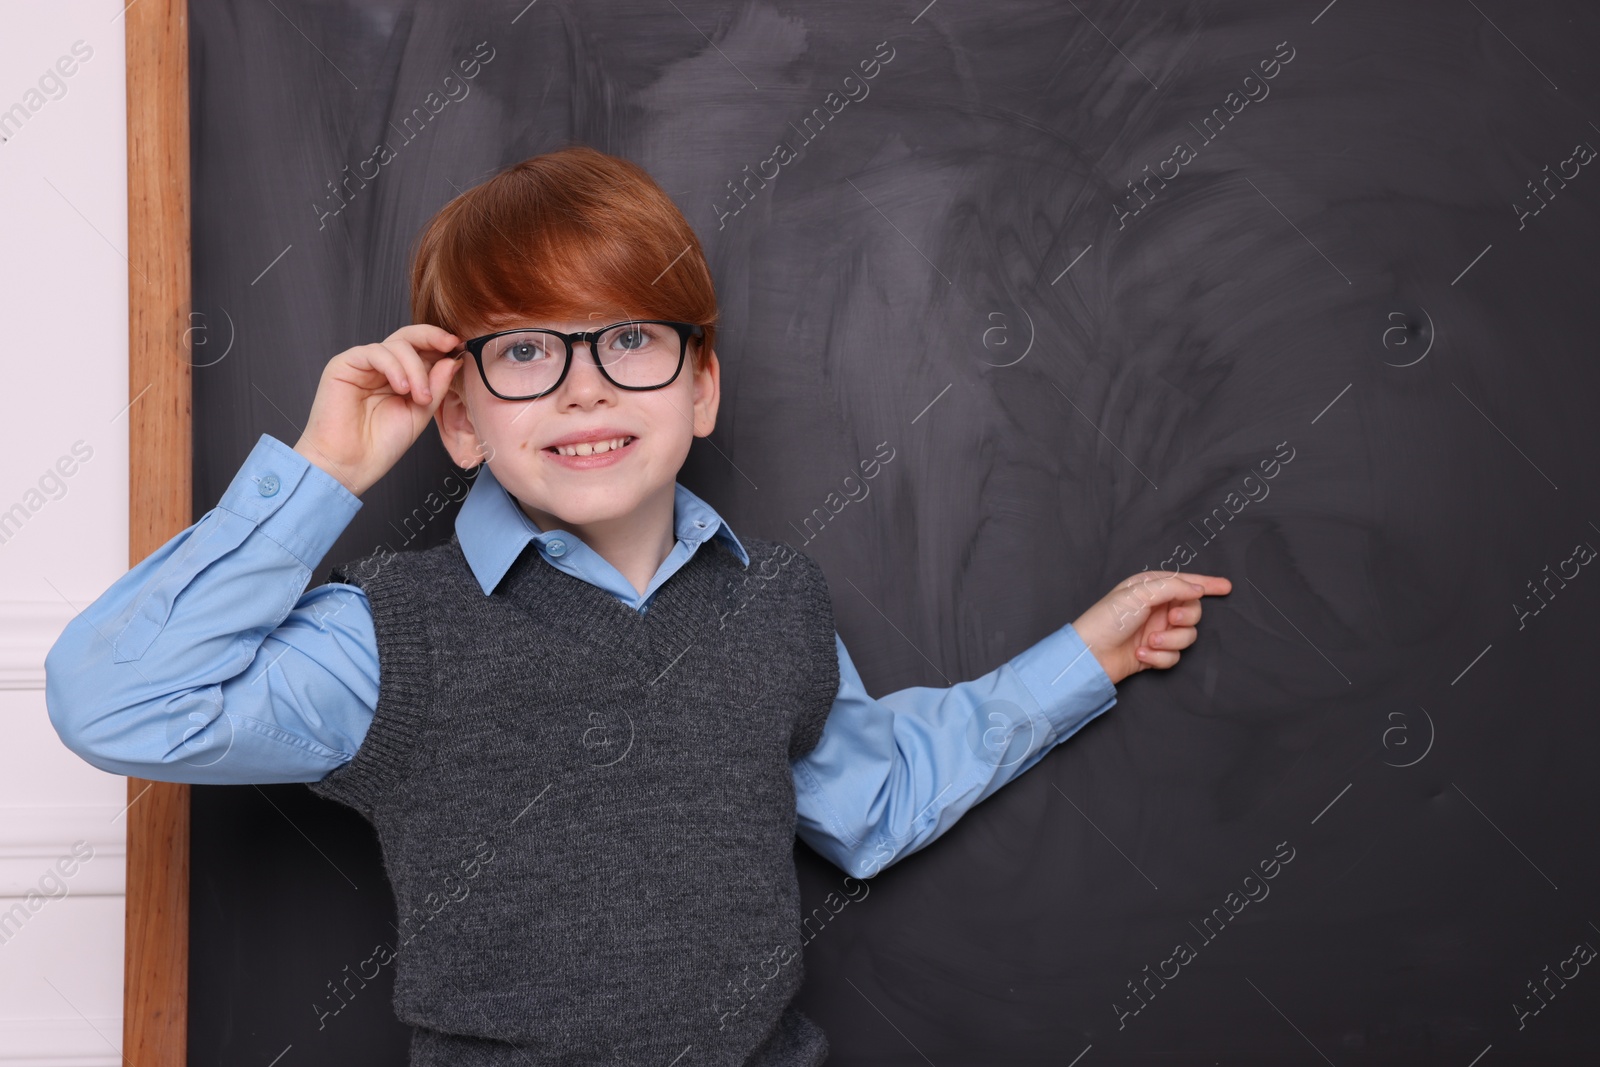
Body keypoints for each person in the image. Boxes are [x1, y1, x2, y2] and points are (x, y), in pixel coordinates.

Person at [44, 144, 1229, 1066]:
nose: (583, 387)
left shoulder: (777, 605)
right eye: (522, 352)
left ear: (700, 385)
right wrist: (323, 469)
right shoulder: (387, 636)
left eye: (626, 338)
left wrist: (1083, 657)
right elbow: (119, 702)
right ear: (458, 416)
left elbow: (872, 800)